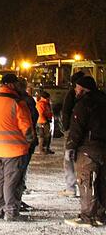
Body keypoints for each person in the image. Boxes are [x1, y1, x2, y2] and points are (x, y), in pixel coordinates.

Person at [0, 73, 34, 221]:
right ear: (11, 85)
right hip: (15, 149)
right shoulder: (18, 103)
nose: (19, 86)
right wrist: (30, 142)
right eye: (17, 83)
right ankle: (11, 212)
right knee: (12, 182)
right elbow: (27, 128)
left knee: (0, 180)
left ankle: (0, 208)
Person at [64, 75, 106, 227]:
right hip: (103, 148)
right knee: (102, 182)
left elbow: (77, 129)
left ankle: (87, 217)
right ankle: (101, 214)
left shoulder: (83, 104)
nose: (75, 91)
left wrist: (70, 147)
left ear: (82, 89)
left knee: (86, 182)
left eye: (76, 88)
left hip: (88, 148)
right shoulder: (103, 99)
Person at [60, 71, 87, 197]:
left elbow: (65, 112)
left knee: (69, 158)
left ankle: (71, 188)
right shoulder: (97, 96)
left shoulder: (71, 95)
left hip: (73, 130)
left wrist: (66, 128)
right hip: (89, 133)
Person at [16, 78, 39, 209]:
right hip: (22, 142)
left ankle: (9, 200)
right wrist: (31, 140)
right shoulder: (25, 101)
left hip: (8, 143)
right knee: (19, 172)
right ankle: (16, 201)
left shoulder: (8, 100)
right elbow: (30, 121)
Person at [36, 88, 54, 154]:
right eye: (49, 98)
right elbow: (40, 114)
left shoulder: (45, 103)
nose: (50, 99)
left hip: (45, 121)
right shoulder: (41, 104)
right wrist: (44, 121)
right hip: (43, 122)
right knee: (43, 136)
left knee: (47, 135)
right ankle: (42, 149)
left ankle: (46, 149)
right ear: (46, 97)